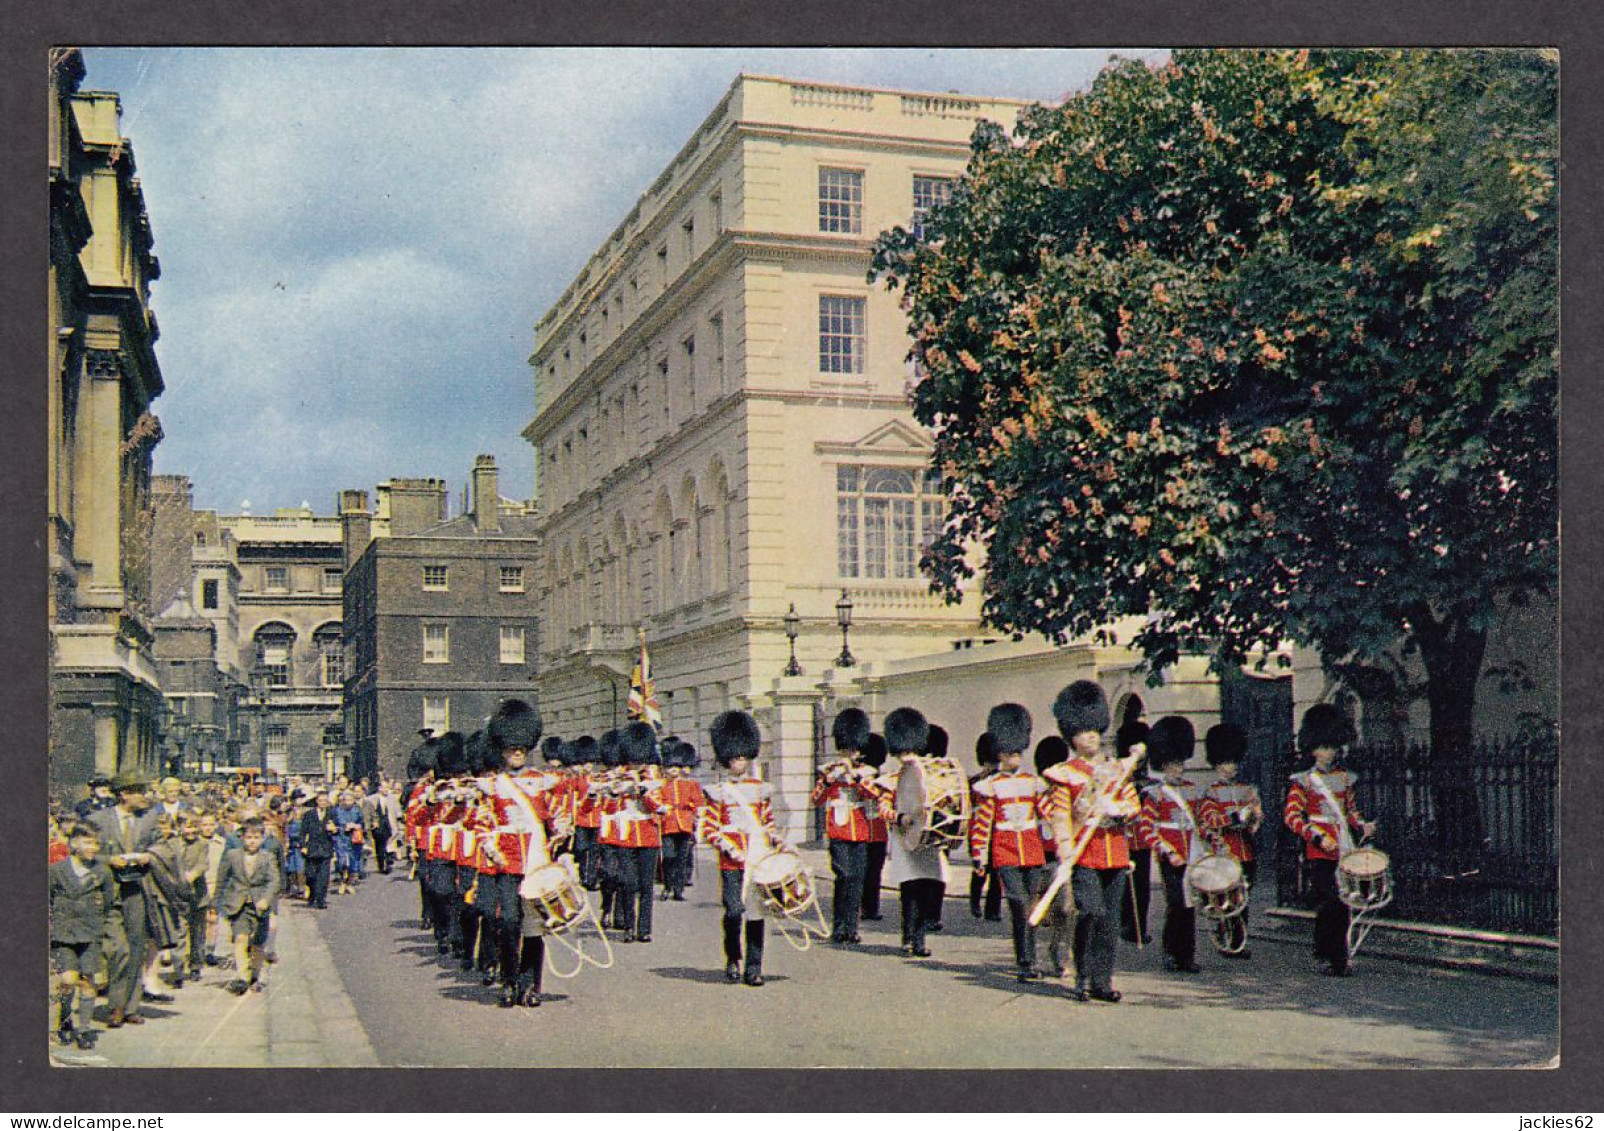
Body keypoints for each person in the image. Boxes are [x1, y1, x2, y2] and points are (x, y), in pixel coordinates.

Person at [1044, 680, 1141, 1004]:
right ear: (1072, 736)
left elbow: (1133, 805)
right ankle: (1082, 976)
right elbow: (1059, 816)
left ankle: (1102, 980)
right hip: (1083, 854)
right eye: (1084, 732)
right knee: (1091, 913)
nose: (1092, 737)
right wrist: (1066, 853)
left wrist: (1117, 811)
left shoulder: (1115, 770)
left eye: (1095, 731)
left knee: (1110, 921)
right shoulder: (1064, 774)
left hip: (1113, 852)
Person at [476, 698, 561, 1007]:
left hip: (536, 864)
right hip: (507, 862)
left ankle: (531, 986)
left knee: (534, 928)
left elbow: (557, 814)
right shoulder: (493, 785)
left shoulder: (540, 783)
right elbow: (482, 822)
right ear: (503, 752)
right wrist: (491, 848)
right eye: (513, 750)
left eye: (521, 750)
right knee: (509, 923)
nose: (517, 754)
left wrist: (561, 829)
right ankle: (509, 981)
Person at [1284, 704, 1376, 977]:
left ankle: (1340, 956)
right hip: (1319, 851)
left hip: (1344, 847)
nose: (1329, 752)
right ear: (1313, 749)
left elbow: (1350, 812)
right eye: (1323, 747)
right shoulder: (1304, 781)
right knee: (1330, 902)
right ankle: (1327, 953)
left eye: (1333, 746)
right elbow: (1291, 816)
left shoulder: (1343, 778)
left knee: (1345, 901)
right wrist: (1315, 836)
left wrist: (1363, 825)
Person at [969, 702, 1050, 984]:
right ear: (999, 754)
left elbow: (1049, 814)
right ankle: (1025, 960)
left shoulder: (1033, 782)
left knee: (1031, 904)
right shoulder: (990, 786)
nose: (1012, 757)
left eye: (1016, 752)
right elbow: (983, 823)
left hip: (1032, 849)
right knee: (1017, 902)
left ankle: (1030, 956)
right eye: (1007, 753)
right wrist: (979, 856)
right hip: (1005, 850)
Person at [698, 710, 777, 987]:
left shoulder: (759, 789)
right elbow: (708, 828)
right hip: (732, 861)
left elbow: (767, 822)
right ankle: (733, 956)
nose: (738, 762)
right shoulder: (718, 792)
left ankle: (754, 969)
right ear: (725, 759)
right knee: (733, 911)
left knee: (756, 913)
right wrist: (728, 847)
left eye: (742, 757)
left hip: (756, 859)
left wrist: (774, 841)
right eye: (734, 758)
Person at [88, 771, 160, 1027]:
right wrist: (109, 861)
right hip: (108, 893)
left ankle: (130, 1007)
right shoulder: (97, 820)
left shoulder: (149, 819)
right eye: (140, 791)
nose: (145, 796)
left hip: (137, 892)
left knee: (136, 948)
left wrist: (149, 856)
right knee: (118, 949)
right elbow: (85, 853)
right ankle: (115, 1005)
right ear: (124, 794)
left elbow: (162, 846)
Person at [1135, 716, 1205, 974]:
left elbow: (1202, 822)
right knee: (1176, 904)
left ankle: (1187, 955)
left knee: (1190, 906)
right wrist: (1167, 851)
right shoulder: (1155, 794)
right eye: (1172, 765)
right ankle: (1170, 952)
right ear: (1163, 766)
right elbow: (1146, 829)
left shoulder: (1192, 790)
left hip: (1192, 853)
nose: (1177, 769)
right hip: (1170, 857)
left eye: (1179, 763)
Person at [882, 708, 948, 959]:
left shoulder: (930, 775)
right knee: (909, 890)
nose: (907, 757)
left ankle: (919, 938)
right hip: (903, 838)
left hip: (926, 838)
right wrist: (900, 818)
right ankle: (908, 937)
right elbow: (883, 808)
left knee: (926, 889)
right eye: (903, 752)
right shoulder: (892, 778)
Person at [812, 707, 879, 945]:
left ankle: (852, 927)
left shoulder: (866, 772)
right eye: (845, 749)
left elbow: (873, 795)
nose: (849, 753)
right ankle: (838, 926)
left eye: (852, 749)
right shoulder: (829, 772)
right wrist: (829, 781)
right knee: (843, 875)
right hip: (838, 830)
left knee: (857, 879)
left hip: (859, 830)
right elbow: (816, 799)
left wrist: (855, 775)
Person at [49, 824, 115, 1049]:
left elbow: (107, 902)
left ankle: (84, 1030)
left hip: (90, 934)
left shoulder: (102, 872)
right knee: (68, 980)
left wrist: (95, 923)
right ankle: (64, 1021)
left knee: (88, 982)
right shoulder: (57, 871)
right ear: (74, 843)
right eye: (87, 842)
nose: (93, 848)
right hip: (63, 934)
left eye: (96, 843)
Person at [1199, 723, 1261, 957]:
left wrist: (1254, 817)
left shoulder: (1246, 789)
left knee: (1244, 895)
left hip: (1245, 848)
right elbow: (1208, 820)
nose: (1230, 768)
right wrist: (1231, 818)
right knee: (1227, 896)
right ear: (1217, 764)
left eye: (1233, 762)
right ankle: (1227, 936)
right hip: (1225, 849)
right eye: (1226, 763)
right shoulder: (1211, 792)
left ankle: (1238, 938)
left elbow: (1256, 817)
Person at [214, 817, 282, 994]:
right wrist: (215, 903)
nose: (252, 841)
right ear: (242, 837)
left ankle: (255, 975)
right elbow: (221, 879)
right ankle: (242, 977)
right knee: (240, 938)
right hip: (238, 904)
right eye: (249, 837)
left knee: (258, 944)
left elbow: (274, 881)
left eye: (256, 838)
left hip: (260, 905)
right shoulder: (232, 855)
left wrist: (266, 899)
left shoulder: (268, 858)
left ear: (262, 839)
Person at [613, 721, 666, 944]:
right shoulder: (619, 774)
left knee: (646, 885)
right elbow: (610, 798)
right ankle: (628, 926)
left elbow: (660, 806)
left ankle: (644, 928)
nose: (636, 763)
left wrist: (642, 787)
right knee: (628, 882)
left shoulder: (654, 775)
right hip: (625, 835)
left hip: (647, 834)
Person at [1033, 735, 1075, 978]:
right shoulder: (1037, 793)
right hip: (1038, 859)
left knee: (1065, 912)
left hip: (1059, 859)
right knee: (1038, 913)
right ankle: (1039, 959)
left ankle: (1061, 957)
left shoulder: (1062, 794)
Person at [1116, 717, 1155, 945]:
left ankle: (1139, 926)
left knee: (1142, 887)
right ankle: (1124, 924)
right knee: (1122, 886)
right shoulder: (1120, 779)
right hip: (1122, 839)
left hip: (1142, 839)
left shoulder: (1149, 782)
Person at [658, 740, 704, 902]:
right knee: (669, 857)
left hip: (685, 823)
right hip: (668, 824)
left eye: (675, 767)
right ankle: (667, 886)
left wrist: (694, 814)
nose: (673, 770)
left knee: (682, 859)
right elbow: (658, 801)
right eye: (670, 767)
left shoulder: (691, 784)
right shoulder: (662, 785)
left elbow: (698, 802)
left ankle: (679, 890)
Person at [968, 734, 1003, 922]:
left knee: (997, 874)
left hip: (998, 832)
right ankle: (975, 902)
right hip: (979, 830)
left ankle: (993, 909)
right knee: (979, 870)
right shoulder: (974, 782)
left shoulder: (1003, 781)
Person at [859, 732, 890, 923]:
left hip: (876, 830)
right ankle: (869, 907)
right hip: (866, 830)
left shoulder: (880, 778)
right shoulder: (862, 776)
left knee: (872, 871)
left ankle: (870, 907)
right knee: (870, 872)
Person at [299, 791, 338, 910]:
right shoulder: (309, 814)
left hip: (325, 848)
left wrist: (333, 829)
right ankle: (312, 895)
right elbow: (302, 832)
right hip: (312, 849)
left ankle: (321, 900)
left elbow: (338, 829)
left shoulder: (331, 814)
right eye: (320, 801)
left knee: (323, 876)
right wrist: (304, 846)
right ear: (317, 801)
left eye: (325, 801)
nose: (323, 803)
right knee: (311, 875)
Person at [331, 789, 365, 894]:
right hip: (341, 838)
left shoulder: (357, 810)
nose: (348, 802)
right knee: (342, 862)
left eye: (350, 800)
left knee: (353, 862)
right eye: (346, 800)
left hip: (354, 839)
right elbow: (332, 823)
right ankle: (342, 882)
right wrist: (336, 828)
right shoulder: (337, 810)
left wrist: (355, 826)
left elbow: (362, 824)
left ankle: (349, 883)